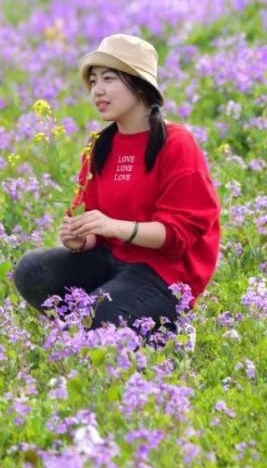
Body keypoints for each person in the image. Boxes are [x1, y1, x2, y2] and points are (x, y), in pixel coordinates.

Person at [13, 33, 220, 333]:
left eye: (109, 78)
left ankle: (169, 328)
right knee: (31, 271)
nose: (98, 90)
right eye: (93, 81)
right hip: (111, 261)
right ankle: (102, 329)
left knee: (99, 316)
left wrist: (114, 226)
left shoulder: (176, 143)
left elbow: (179, 235)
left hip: (164, 275)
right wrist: (80, 237)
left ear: (139, 84)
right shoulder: (99, 146)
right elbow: (93, 224)